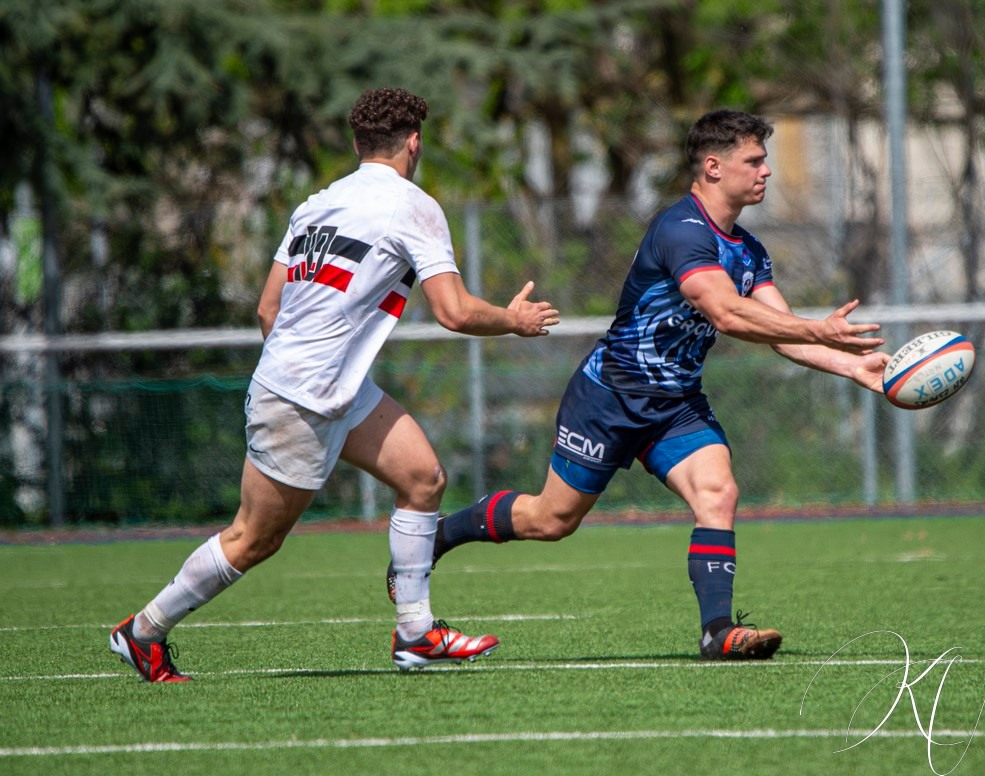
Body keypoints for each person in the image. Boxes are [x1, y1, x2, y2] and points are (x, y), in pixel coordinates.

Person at [389, 109, 889, 661]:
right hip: (609, 398)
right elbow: (726, 313)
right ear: (714, 167)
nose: (766, 170)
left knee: (718, 492)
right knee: (551, 520)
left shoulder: (749, 250)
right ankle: (438, 537)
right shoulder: (681, 230)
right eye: (755, 160)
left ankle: (717, 631)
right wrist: (821, 328)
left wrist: (854, 367)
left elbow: (783, 335)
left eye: (765, 159)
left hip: (674, 406)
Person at [108, 87, 560, 681]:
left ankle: (417, 635)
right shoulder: (413, 205)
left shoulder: (315, 204)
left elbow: (268, 309)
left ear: (356, 144)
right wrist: (515, 321)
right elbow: (452, 312)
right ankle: (143, 631)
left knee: (424, 478)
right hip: (305, 397)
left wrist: (316, 369)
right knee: (253, 539)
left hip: (317, 387)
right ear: (415, 142)